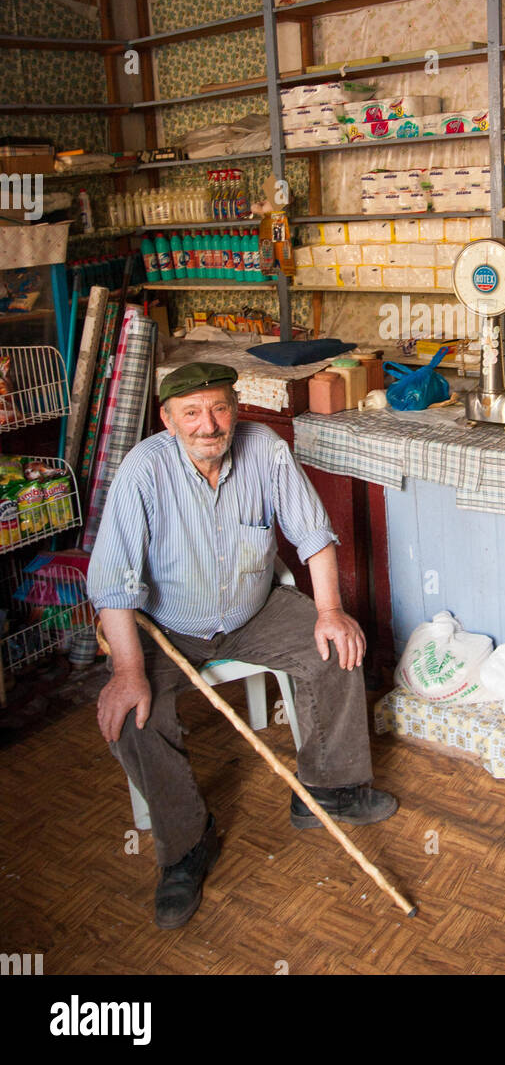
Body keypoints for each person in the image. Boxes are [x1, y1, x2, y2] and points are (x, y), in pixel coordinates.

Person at [88, 361, 397, 930]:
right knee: (136, 714)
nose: (209, 424)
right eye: (192, 413)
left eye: (220, 408)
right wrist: (128, 668)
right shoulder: (142, 471)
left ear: (235, 407)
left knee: (334, 647)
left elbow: (313, 535)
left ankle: (327, 789)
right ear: (167, 419)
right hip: (168, 623)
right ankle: (185, 846)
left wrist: (330, 612)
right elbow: (113, 583)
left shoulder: (265, 448)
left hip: (252, 610)